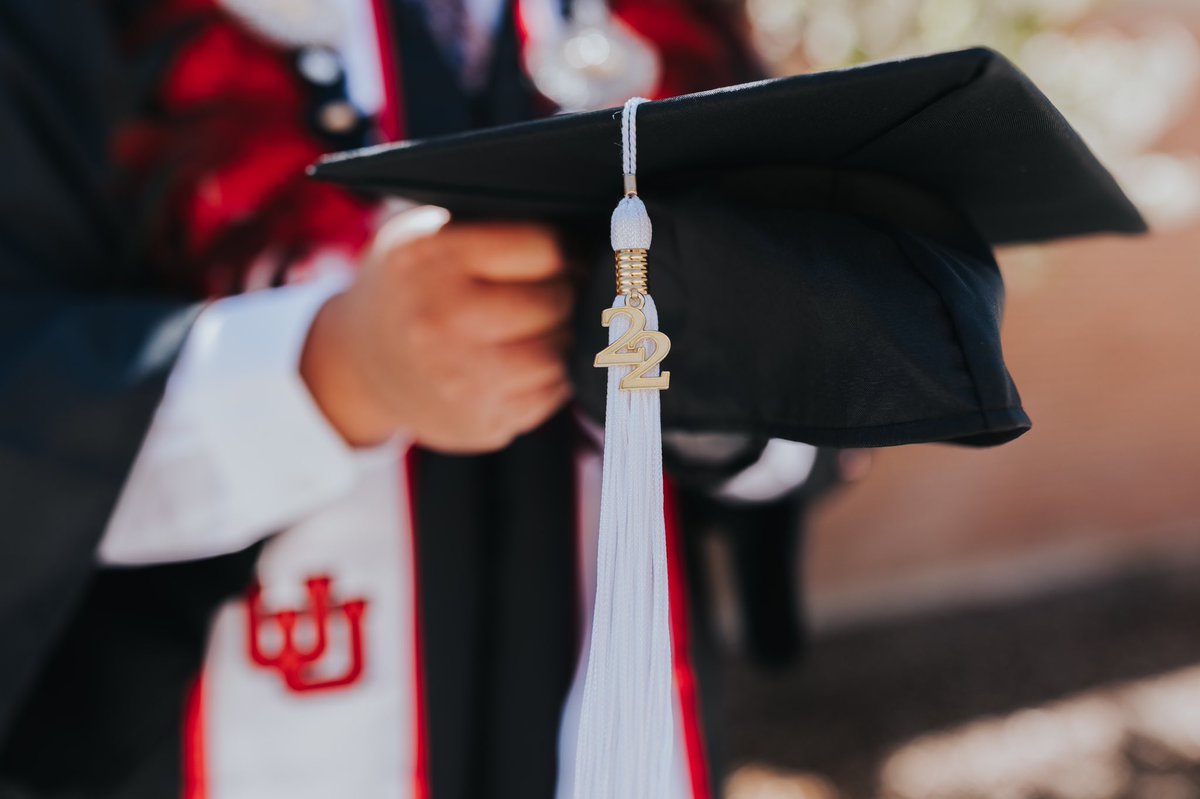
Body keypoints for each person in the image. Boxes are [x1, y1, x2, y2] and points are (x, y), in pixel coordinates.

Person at [0, 1, 819, 796]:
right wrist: (328, 375)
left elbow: (803, 358)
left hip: (600, 714)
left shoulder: (660, 19)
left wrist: (722, 392)